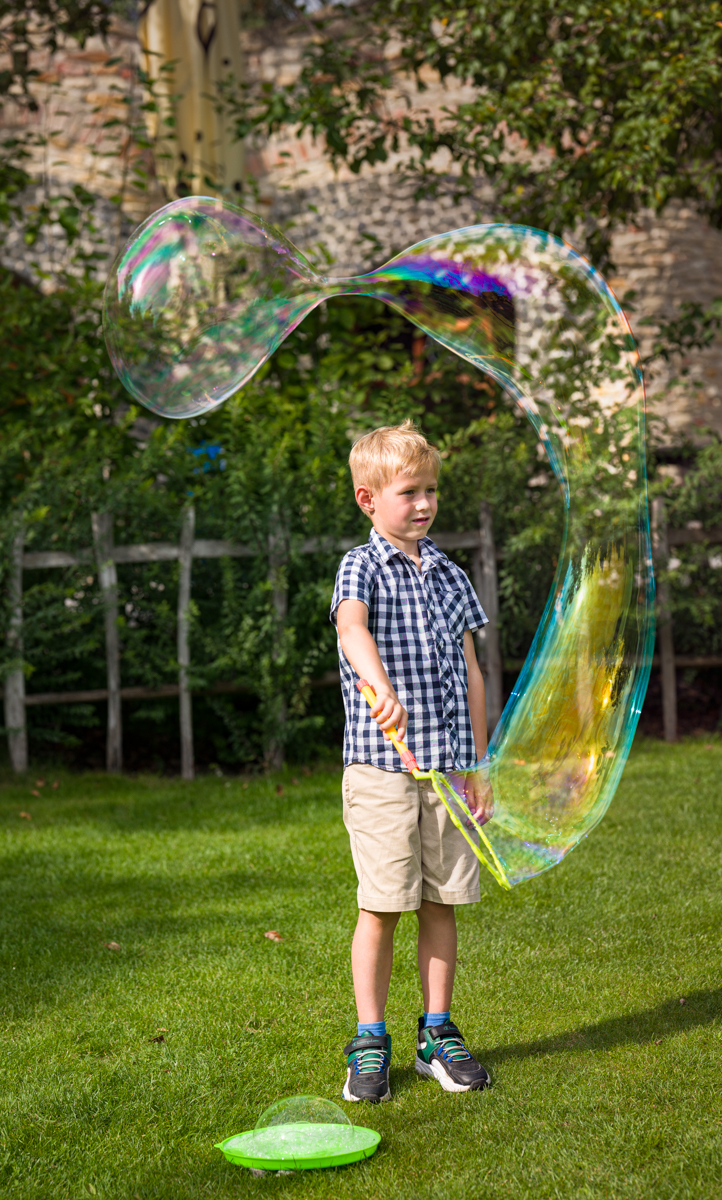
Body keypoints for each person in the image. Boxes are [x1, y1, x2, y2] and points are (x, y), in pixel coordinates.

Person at [330, 418, 493, 1103]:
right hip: (381, 771)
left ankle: (436, 1035)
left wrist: (477, 762)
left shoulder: (450, 573)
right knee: (383, 904)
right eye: (408, 492)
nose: (424, 503)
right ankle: (370, 1040)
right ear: (369, 499)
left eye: (430, 490)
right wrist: (379, 684)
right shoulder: (361, 565)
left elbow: (472, 670)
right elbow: (351, 628)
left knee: (441, 901)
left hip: (447, 770)